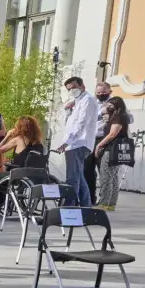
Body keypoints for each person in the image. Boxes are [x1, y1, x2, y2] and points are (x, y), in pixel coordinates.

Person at [55, 76, 97, 207]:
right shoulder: (78, 101)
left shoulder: (87, 100)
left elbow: (81, 123)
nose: (72, 91)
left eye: (74, 87)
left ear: (82, 86)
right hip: (74, 144)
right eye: (69, 89)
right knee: (78, 176)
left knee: (72, 178)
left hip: (78, 143)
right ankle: (86, 205)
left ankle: (69, 205)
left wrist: (68, 141)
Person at [94, 96, 130, 211]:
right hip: (119, 149)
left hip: (112, 149)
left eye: (110, 105)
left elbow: (112, 134)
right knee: (113, 177)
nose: (107, 107)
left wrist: (99, 145)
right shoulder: (119, 116)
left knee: (106, 176)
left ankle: (104, 203)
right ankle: (110, 204)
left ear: (116, 106)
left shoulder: (118, 117)